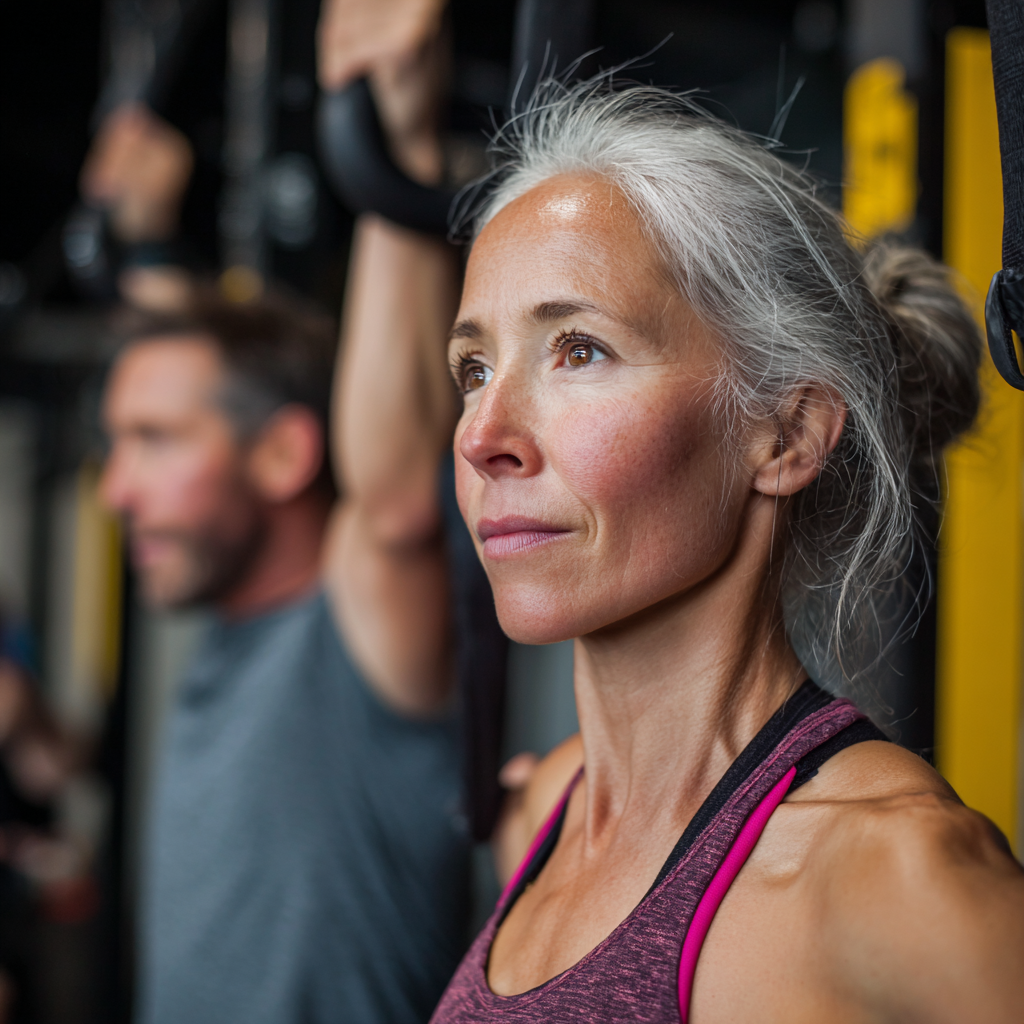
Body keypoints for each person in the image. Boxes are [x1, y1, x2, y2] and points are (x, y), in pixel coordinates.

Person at [430, 81, 1024, 1023]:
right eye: (475, 368)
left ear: (785, 436)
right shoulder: (555, 808)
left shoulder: (891, 875)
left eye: (578, 350)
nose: (482, 435)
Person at [98, 15, 468, 1021]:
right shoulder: (228, 633)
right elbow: (202, 375)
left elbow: (394, 499)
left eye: (152, 444)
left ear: (285, 455)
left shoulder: (355, 637)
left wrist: (398, 132)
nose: (113, 490)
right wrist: (149, 233)